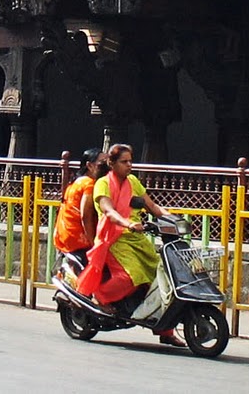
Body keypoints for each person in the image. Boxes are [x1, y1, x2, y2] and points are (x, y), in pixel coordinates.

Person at [77, 143, 184, 347]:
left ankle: (165, 329)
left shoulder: (133, 181)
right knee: (131, 276)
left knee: (160, 278)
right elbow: (109, 211)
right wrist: (128, 223)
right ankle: (100, 297)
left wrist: (175, 220)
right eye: (124, 162)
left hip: (136, 239)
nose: (129, 166)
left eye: (130, 161)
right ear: (112, 163)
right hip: (113, 239)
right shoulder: (102, 184)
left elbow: (152, 206)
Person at [53, 148, 107, 264]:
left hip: (63, 234)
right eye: (102, 163)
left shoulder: (77, 181)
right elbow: (85, 216)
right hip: (77, 237)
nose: (107, 167)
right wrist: (93, 243)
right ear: (89, 165)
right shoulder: (89, 184)